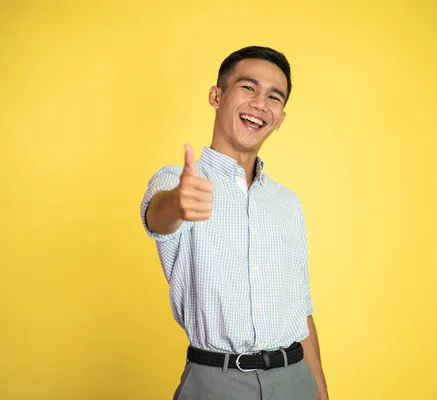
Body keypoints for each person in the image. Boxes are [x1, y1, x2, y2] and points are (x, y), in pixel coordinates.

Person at [140, 46, 329, 400]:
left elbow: (301, 309)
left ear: (281, 116)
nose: (260, 102)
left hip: (295, 380)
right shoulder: (176, 181)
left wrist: (319, 391)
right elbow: (158, 217)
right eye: (248, 87)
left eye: (274, 96)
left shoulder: (287, 203)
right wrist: (178, 202)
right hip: (216, 384)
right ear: (217, 95)